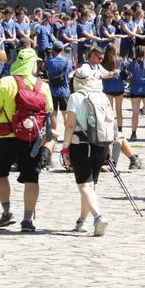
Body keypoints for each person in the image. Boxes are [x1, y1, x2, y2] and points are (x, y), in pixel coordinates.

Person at [0, 48, 54, 232]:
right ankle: (27, 219)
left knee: (0, 173)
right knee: (32, 178)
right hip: (32, 138)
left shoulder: (6, 82)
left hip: (7, 135)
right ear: (32, 64)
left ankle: (7, 211)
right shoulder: (43, 86)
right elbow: (49, 113)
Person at [61, 68, 111, 237]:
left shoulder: (75, 97)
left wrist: (65, 147)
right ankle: (81, 221)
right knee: (89, 186)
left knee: (83, 184)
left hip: (80, 143)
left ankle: (98, 217)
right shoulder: (102, 96)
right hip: (100, 144)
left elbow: (70, 124)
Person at [127, 46, 145, 140]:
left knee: (135, 113)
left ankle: (133, 133)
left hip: (135, 89)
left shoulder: (132, 64)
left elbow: (128, 75)